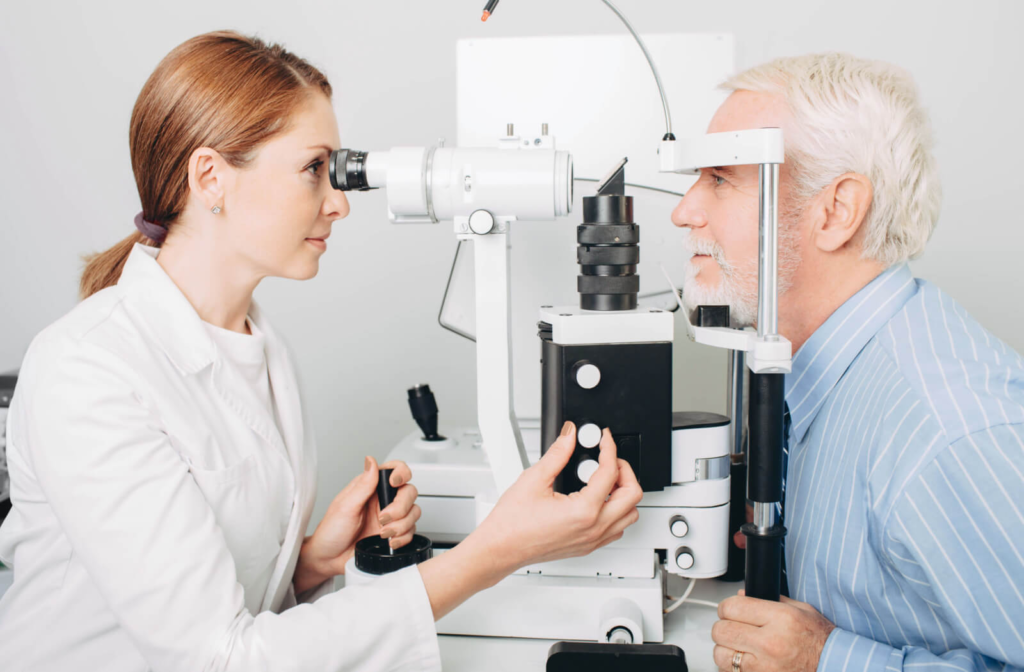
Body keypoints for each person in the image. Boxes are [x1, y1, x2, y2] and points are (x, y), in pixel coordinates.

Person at [0, 31, 643, 671]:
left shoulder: (263, 347)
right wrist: (493, 552)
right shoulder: (89, 371)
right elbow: (217, 659)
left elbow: (224, 602)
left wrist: (312, 563)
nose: (338, 203)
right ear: (210, 177)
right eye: (315, 169)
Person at [672, 53, 1024, 671]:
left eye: (721, 179)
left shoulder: (946, 432)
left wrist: (824, 661)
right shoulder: (817, 378)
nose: (685, 210)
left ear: (835, 212)